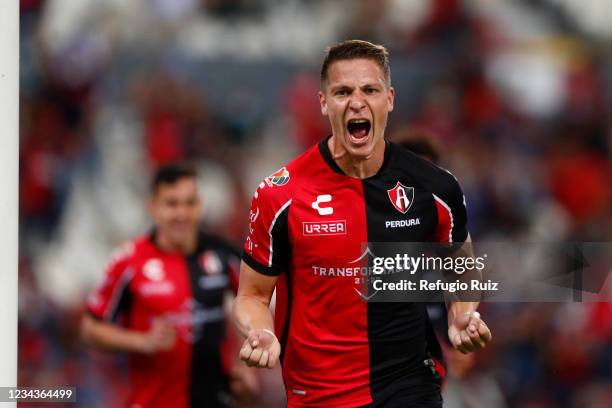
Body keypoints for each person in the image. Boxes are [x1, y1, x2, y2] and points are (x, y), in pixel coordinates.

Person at [233, 40, 492, 407]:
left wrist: (462, 314)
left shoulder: (435, 187)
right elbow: (252, 295)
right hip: (319, 392)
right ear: (324, 103)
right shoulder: (280, 195)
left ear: (389, 99)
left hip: (408, 382)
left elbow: (461, 270)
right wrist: (260, 331)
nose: (357, 101)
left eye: (369, 90)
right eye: (342, 91)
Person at [81, 162, 256, 408]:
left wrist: (244, 361)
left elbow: (251, 303)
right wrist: (141, 341)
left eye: (189, 203)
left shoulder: (223, 254)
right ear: (153, 207)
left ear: (200, 206)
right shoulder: (128, 261)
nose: (182, 214)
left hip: (216, 400)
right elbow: (90, 328)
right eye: (172, 204)